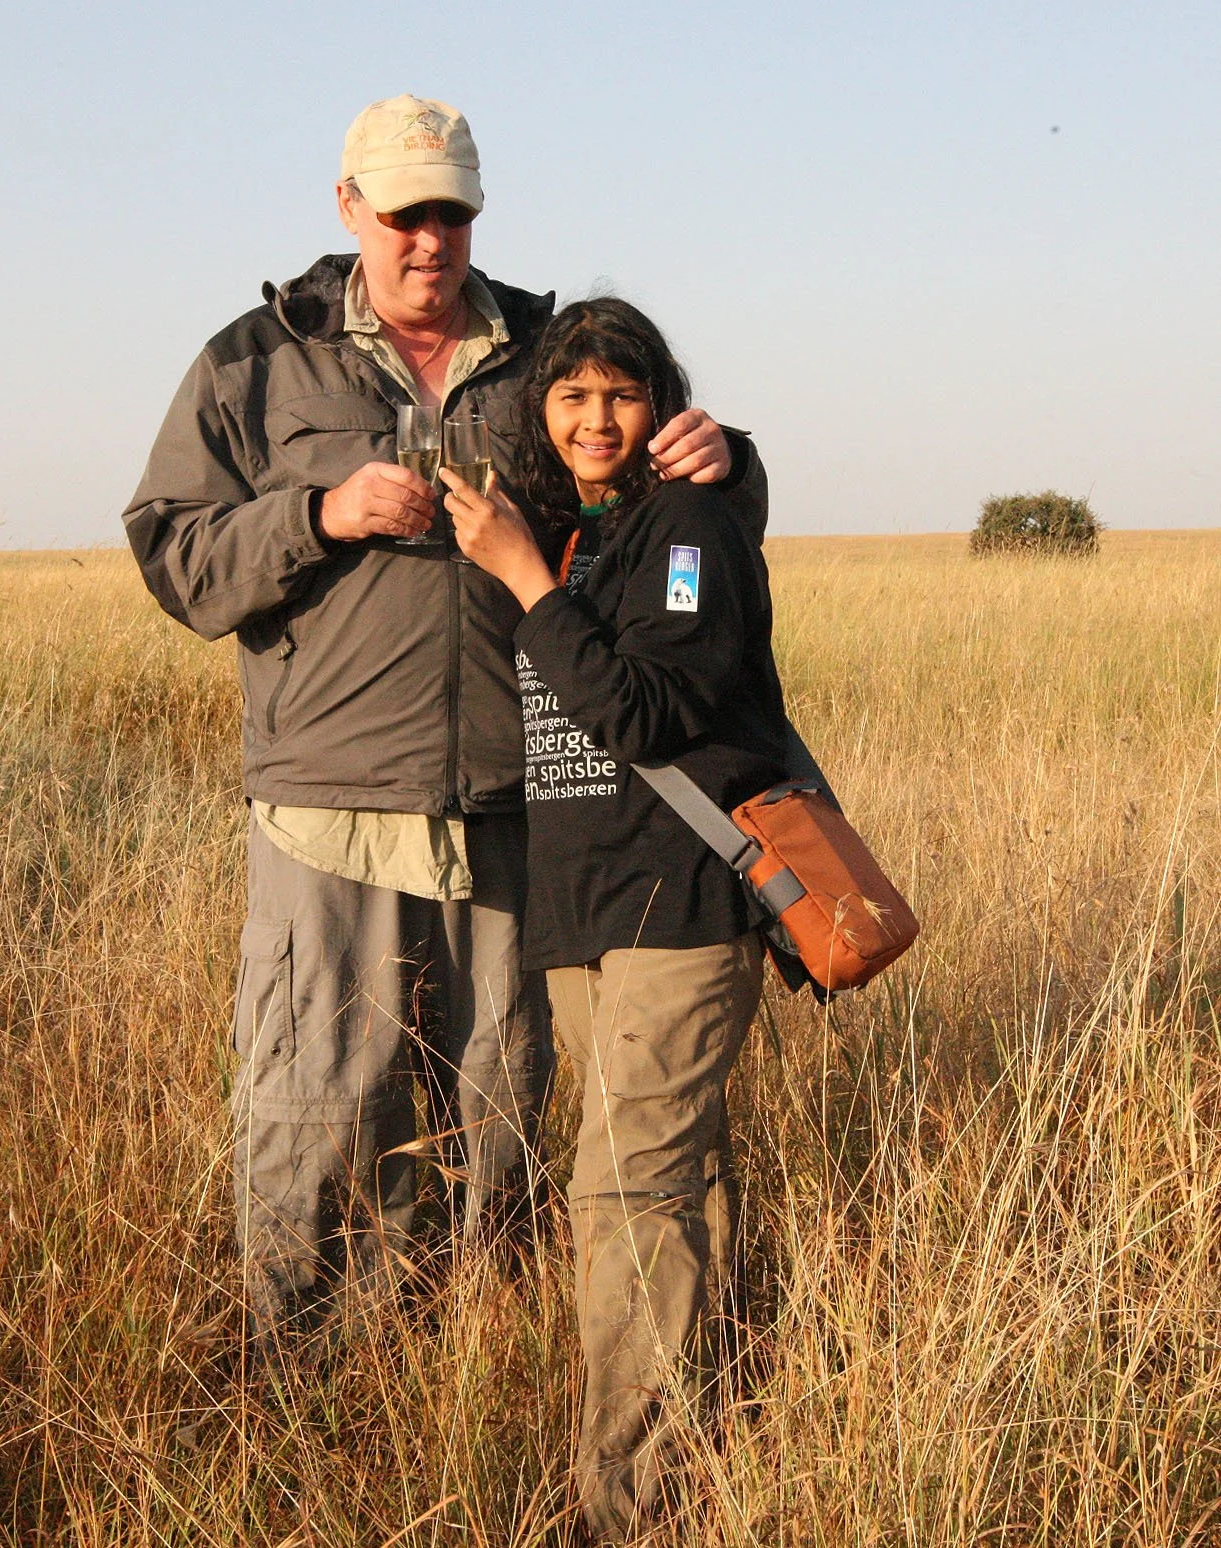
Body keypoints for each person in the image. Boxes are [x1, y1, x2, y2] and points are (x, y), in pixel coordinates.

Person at [122, 97, 767, 1356]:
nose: (430, 239)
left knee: (502, 1094)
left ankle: (475, 1349)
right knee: (319, 1099)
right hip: (329, 805)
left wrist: (724, 456)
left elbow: (650, 478)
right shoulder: (255, 359)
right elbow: (172, 556)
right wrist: (315, 514)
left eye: (452, 213)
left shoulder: (543, 351)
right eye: (405, 212)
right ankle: (306, 1371)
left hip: (518, 802)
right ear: (348, 206)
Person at [442, 298, 793, 1542]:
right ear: (542, 410)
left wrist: (527, 580)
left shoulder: (683, 526)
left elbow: (647, 711)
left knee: (621, 1193)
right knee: (668, 1180)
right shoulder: (577, 535)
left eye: (622, 394)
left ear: (661, 406)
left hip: (678, 906)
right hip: (586, 910)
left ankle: (624, 1506)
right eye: (571, 395)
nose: (596, 418)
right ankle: (712, 1418)